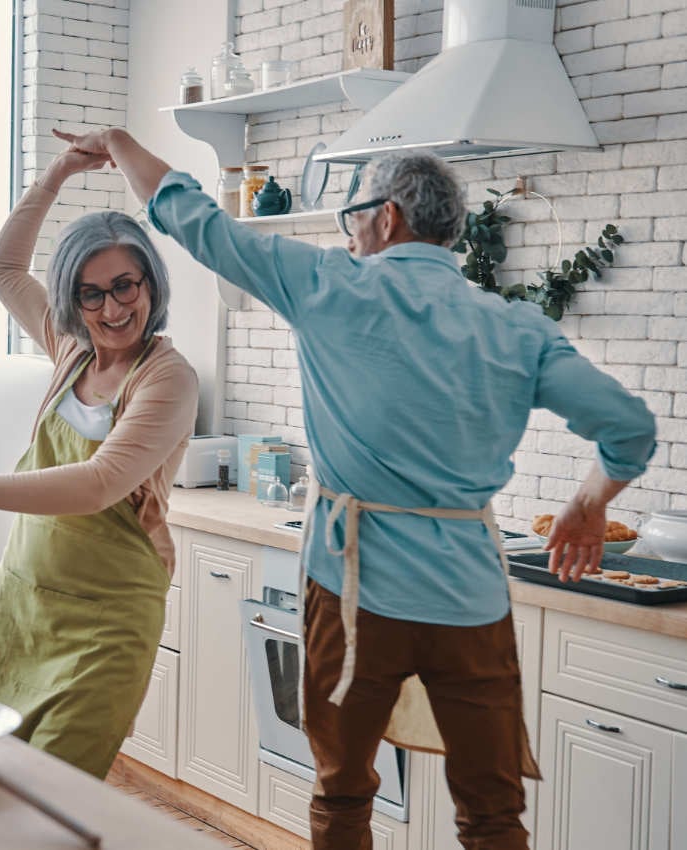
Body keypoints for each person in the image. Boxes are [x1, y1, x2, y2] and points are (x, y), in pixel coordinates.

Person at [51, 126, 656, 848]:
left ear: (387, 216)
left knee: (342, 793)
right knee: (492, 811)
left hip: (352, 592)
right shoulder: (514, 327)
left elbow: (194, 218)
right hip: (469, 599)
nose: (348, 232)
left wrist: (120, 143)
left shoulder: (328, 285)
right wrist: (588, 505)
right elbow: (630, 429)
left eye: (353, 214)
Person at [0, 144, 198, 779]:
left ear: (150, 283)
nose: (113, 310)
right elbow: (4, 267)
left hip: (106, 623)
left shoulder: (166, 378)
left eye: (125, 285)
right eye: (91, 294)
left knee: (51, 793)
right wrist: (57, 173)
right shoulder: (71, 349)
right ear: (72, 300)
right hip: (20, 603)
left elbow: (99, 484)